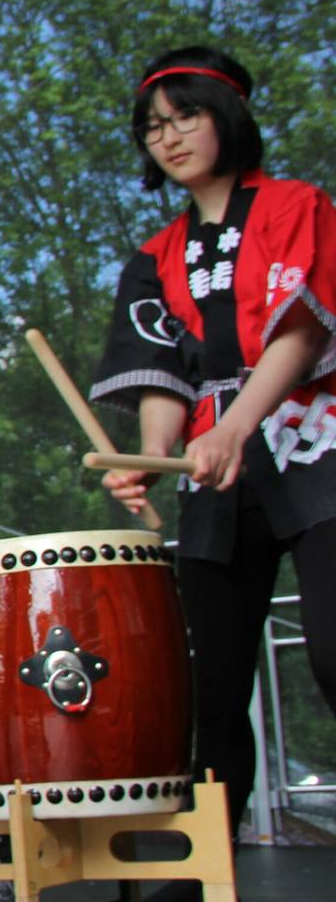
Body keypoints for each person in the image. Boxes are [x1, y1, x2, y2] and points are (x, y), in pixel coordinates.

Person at [91, 46, 336, 840]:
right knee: (211, 683)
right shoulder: (154, 256)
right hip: (215, 464)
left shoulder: (295, 204)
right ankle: (205, 871)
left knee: (334, 653)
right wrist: (149, 460)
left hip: (313, 440)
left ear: (227, 114)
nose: (168, 137)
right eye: (153, 126)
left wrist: (236, 424)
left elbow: (301, 330)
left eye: (185, 116)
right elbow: (163, 376)